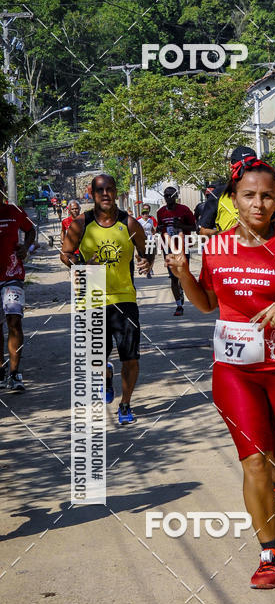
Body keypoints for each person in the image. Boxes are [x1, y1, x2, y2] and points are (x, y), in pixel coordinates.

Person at [166, 157, 275, 589]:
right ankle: (269, 554)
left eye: (267, 196)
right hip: (235, 371)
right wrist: (184, 274)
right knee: (254, 462)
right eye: (249, 196)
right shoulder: (217, 247)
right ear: (233, 200)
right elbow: (206, 304)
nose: (259, 204)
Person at [61, 173, 155, 424]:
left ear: (115, 192)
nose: (105, 194)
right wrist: (81, 264)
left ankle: (125, 405)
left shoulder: (130, 224)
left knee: (131, 357)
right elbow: (66, 254)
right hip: (92, 299)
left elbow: (147, 250)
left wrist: (147, 261)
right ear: (92, 195)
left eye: (110, 189)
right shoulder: (81, 224)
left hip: (124, 299)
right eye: (100, 190)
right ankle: (105, 376)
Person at [0, 175, 36, 391]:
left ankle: (15, 373)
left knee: (14, 321)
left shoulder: (14, 211)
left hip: (13, 275)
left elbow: (30, 230)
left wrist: (26, 247)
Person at [197, 146, 257, 237]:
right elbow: (203, 231)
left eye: (251, 167)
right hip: (230, 249)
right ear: (230, 167)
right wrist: (227, 234)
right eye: (242, 168)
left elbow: (273, 224)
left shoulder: (264, 193)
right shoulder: (218, 194)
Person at [156, 187, 196, 316]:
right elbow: (159, 228)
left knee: (182, 275)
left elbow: (194, 227)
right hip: (167, 248)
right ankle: (179, 305)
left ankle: (181, 289)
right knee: (173, 277)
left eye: (170, 195)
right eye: (166, 195)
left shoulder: (184, 210)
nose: (168, 197)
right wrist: (160, 228)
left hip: (182, 247)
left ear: (175, 196)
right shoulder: (161, 212)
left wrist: (181, 226)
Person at [136, 204, 157, 278]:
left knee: (150, 255)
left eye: (147, 213)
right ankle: (141, 267)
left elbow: (152, 229)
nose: (145, 214)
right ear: (141, 214)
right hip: (141, 241)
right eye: (144, 213)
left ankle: (149, 271)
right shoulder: (138, 221)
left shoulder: (151, 220)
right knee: (142, 256)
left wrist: (155, 233)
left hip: (150, 240)